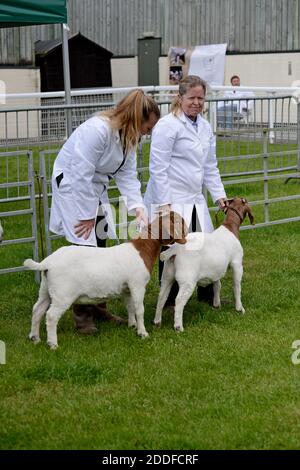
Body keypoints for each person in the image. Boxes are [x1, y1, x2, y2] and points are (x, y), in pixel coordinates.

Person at [49, 89, 160, 334]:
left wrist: (138, 209)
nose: (148, 133)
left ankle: (98, 304)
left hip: (94, 187)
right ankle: (82, 316)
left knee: (100, 240)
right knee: (84, 246)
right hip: (72, 186)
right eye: (147, 127)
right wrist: (87, 214)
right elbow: (80, 173)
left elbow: (128, 175)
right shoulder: (97, 130)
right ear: (134, 118)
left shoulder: (130, 138)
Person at [144, 75, 227, 307]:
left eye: (201, 98)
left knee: (203, 243)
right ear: (179, 98)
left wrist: (219, 195)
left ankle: (207, 294)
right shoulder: (168, 125)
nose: (197, 102)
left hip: (193, 196)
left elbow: (210, 166)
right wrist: (164, 203)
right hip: (171, 196)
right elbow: (158, 167)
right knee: (172, 247)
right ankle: (169, 300)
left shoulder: (205, 126)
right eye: (192, 97)